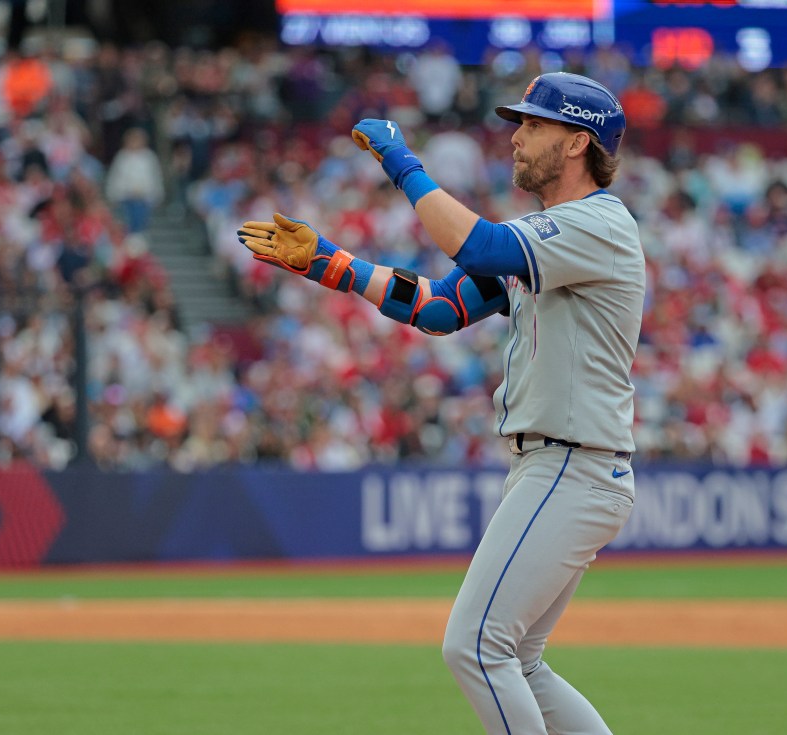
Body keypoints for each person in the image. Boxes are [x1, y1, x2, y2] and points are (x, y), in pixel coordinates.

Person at [239, 72, 645, 735]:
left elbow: (479, 246)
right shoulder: (554, 233)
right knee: (521, 659)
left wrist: (403, 163)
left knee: (476, 646)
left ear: (577, 143)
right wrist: (332, 263)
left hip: (572, 462)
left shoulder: (599, 223)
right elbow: (437, 307)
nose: (516, 138)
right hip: (563, 464)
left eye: (533, 126)